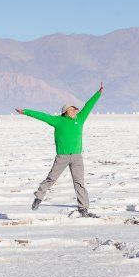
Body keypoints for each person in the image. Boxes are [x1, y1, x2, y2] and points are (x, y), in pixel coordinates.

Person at [15, 82, 103, 217]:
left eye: (75, 110)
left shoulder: (80, 119)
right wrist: (25, 111)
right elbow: (42, 116)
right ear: (65, 112)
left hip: (77, 157)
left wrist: (98, 93)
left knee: (79, 183)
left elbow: (89, 105)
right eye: (71, 110)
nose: (74, 112)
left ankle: (83, 209)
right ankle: (39, 197)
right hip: (62, 157)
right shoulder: (57, 121)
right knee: (51, 179)